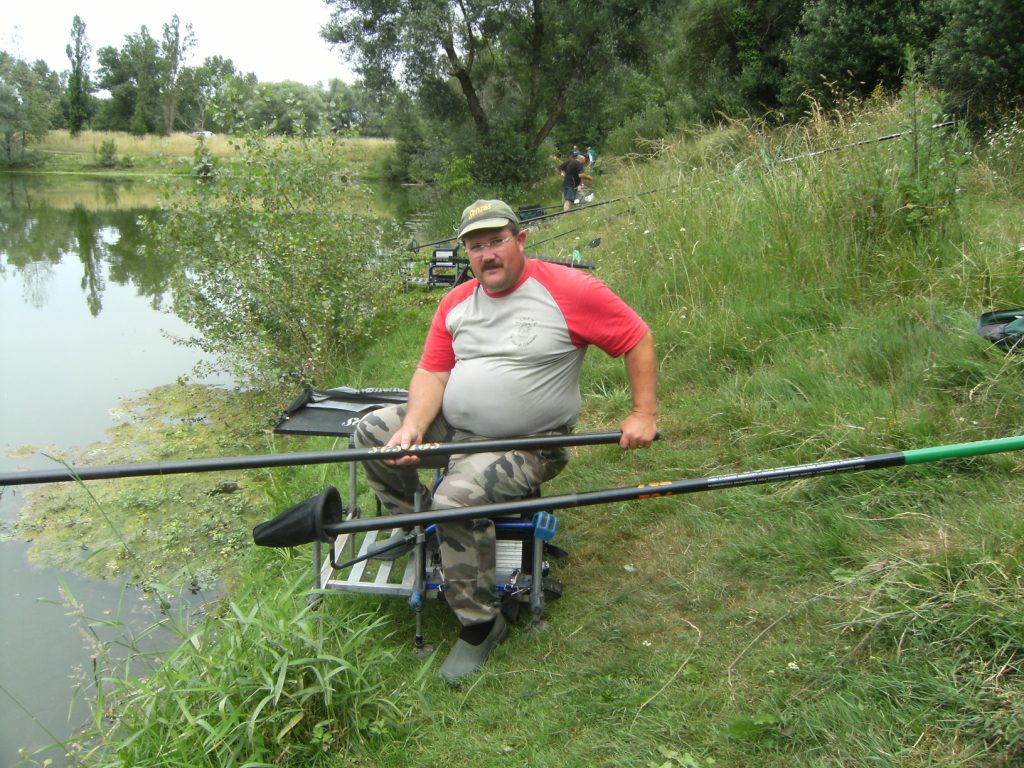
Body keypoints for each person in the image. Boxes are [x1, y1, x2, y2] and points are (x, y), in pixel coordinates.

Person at [353, 199, 657, 682]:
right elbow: (432, 371)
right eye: (476, 246)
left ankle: (479, 624)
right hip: (457, 425)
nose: (487, 254)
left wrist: (642, 413)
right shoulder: (456, 301)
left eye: (496, 241)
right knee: (371, 432)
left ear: (520, 240)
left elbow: (635, 336)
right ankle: (415, 527)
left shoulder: (568, 289)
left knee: (456, 498)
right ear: (467, 255)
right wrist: (412, 425)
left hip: (529, 441)